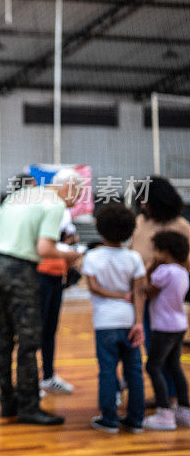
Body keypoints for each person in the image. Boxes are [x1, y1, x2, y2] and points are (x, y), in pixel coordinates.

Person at [0, 168, 83, 425]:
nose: (79, 198)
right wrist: (71, 254)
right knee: (28, 341)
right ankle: (29, 407)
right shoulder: (55, 205)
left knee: (3, 339)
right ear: (68, 187)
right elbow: (44, 248)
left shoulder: (20, 196)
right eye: (80, 191)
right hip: (20, 269)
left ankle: (8, 403)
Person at [81, 205, 146, 434]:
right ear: (129, 229)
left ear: (100, 228)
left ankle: (109, 420)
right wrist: (139, 322)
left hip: (105, 322)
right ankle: (136, 420)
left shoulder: (92, 256)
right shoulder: (134, 258)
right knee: (134, 371)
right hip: (129, 321)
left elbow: (95, 288)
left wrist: (116, 295)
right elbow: (139, 292)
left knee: (107, 371)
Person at [130, 176, 190, 407]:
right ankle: (164, 396)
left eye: (146, 201)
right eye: (140, 202)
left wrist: (160, 274)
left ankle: (171, 400)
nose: (143, 206)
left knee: (165, 356)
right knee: (152, 350)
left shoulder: (181, 226)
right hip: (141, 296)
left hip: (164, 301)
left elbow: (185, 263)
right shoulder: (141, 223)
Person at [143, 231, 190, 430]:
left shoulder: (164, 271)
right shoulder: (182, 271)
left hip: (163, 326)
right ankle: (184, 409)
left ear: (164, 251)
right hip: (179, 325)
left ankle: (164, 412)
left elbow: (148, 290)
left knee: (153, 367)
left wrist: (150, 267)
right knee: (174, 366)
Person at [38, 210, 79, 395]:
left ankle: (48, 376)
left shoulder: (63, 216)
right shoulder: (44, 214)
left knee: (50, 330)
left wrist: (68, 245)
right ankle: (30, 381)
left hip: (56, 277)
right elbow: (44, 247)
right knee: (36, 330)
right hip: (41, 276)